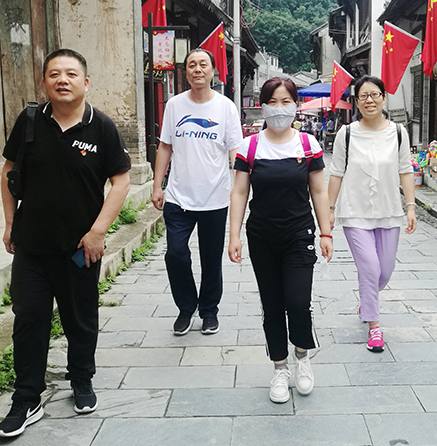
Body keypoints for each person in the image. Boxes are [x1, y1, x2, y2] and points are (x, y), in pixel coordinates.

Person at [0, 49, 132, 437]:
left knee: (80, 318)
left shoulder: (101, 127)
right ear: (44, 82)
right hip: (32, 245)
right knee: (29, 319)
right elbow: (9, 172)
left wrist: (98, 231)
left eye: (71, 74)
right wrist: (10, 223)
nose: (63, 80)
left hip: (79, 248)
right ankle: (26, 398)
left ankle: (81, 379)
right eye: (54, 73)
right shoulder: (29, 122)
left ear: (85, 82)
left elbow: (121, 181)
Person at [228, 77, 333, 404]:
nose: (279, 108)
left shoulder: (307, 145)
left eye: (286, 101)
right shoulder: (250, 147)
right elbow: (239, 192)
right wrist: (234, 236)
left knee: (298, 302)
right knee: (272, 305)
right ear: (262, 106)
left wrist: (326, 232)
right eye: (272, 101)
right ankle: (279, 367)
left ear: (295, 105)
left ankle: (302, 356)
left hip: (299, 235)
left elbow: (319, 191)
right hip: (262, 237)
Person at [152, 48, 243, 336]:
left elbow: (235, 151)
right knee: (175, 254)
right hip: (178, 196)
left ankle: (209, 311)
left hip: (215, 197)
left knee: (211, 259)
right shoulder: (175, 105)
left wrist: (240, 187)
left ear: (212, 71)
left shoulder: (225, 107)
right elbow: (165, 146)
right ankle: (186, 307)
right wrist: (157, 185)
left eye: (203, 64)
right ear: (186, 71)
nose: (197, 69)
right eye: (192, 65)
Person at [327, 75, 416, 353]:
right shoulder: (347, 134)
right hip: (354, 211)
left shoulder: (398, 133)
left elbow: (405, 170)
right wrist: (329, 209)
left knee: (385, 271)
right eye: (363, 96)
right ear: (356, 102)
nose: (369, 100)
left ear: (383, 98)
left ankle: (367, 300)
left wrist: (411, 206)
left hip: (389, 211)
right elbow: (336, 173)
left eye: (375, 94)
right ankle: (374, 326)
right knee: (370, 267)